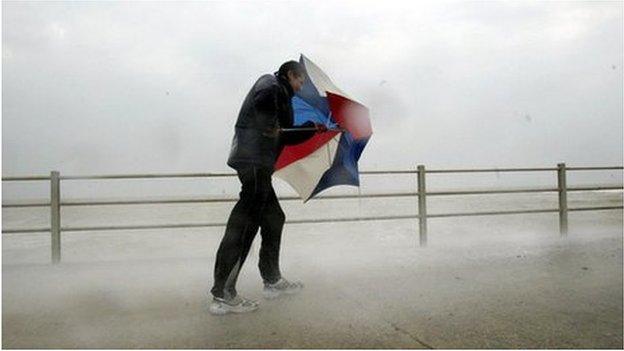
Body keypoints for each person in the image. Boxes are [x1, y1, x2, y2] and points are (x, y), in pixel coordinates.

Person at [209, 60, 327, 315]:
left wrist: (311, 130)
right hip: (252, 160)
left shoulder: (283, 96)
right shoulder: (270, 84)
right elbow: (265, 113)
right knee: (245, 224)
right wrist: (267, 124)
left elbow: (283, 133)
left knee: (274, 217)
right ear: (290, 74)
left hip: (261, 163)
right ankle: (223, 294)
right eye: (300, 81)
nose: (300, 86)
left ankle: (271, 281)